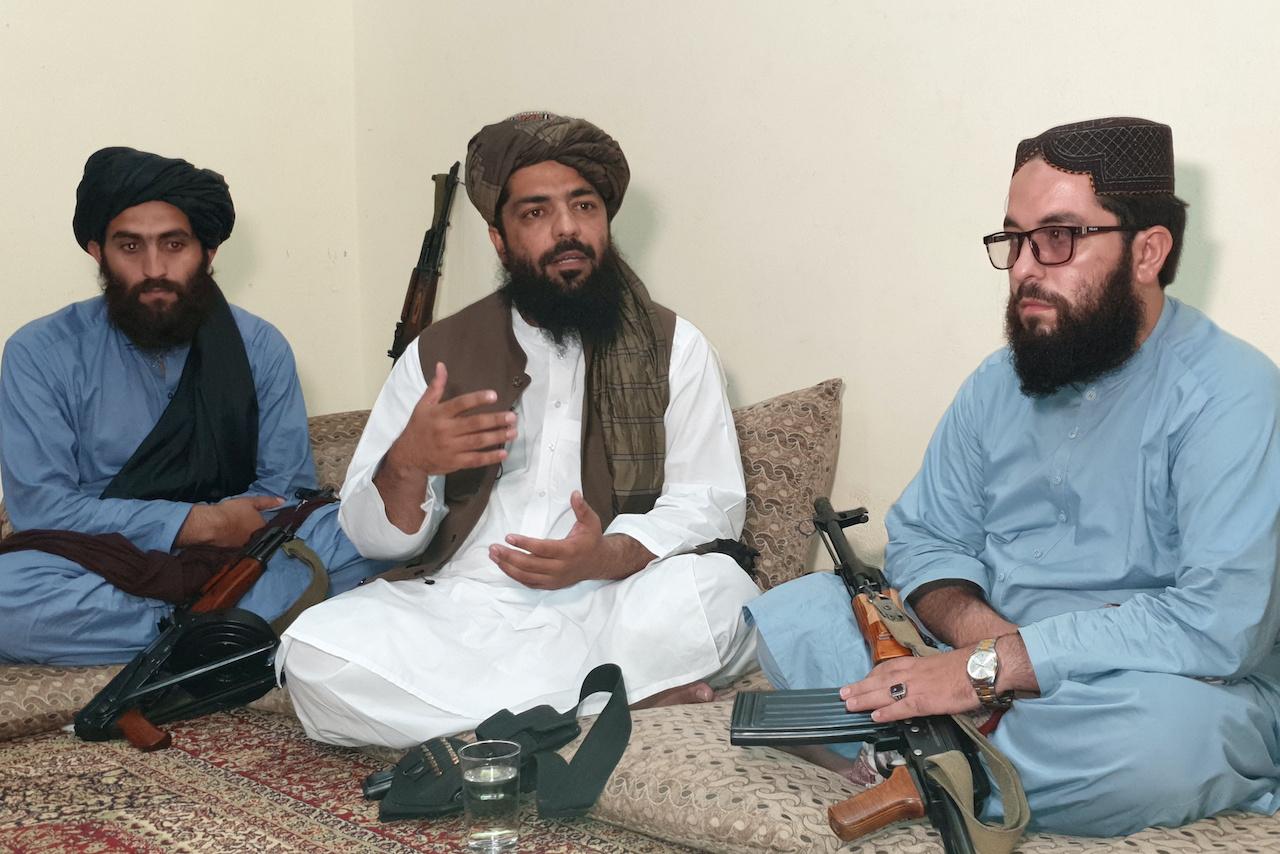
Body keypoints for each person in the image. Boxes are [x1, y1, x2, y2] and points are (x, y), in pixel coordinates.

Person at [746, 118, 1280, 836]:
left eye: (1058, 238)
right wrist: (982, 646)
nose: (1026, 267)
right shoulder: (996, 383)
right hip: (977, 653)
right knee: (797, 614)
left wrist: (997, 669)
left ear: (1148, 252)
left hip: (1140, 683)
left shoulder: (1231, 394)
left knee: (1162, 742)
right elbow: (926, 540)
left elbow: (1219, 623)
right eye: (1015, 240)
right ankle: (952, 755)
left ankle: (919, 756)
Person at [277, 112, 761, 749]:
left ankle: (512, 718)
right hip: (465, 607)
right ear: (499, 240)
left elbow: (709, 503)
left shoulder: (676, 346)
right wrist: (409, 463)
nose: (567, 229)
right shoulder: (440, 353)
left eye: (583, 206)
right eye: (536, 212)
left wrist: (604, 556)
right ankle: (600, 705)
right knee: (312, 653)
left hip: (611, 600)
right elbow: (373, 539)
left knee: (720, 594)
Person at [0, 146, 391, 665]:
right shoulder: (39, 353)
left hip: (243, 553)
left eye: (174, 244)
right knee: (7, 596)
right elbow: (43, 511)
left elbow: (287, 492)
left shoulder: (259, 347)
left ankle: (201, 621)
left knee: (366, 536)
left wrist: (230, 533)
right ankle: (230, 623)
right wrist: (199, 523)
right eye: (130, 246)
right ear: (97, 253)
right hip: (101, 558)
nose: (154, 268)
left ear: (207, 252)